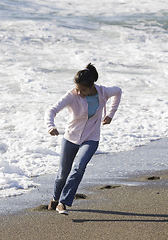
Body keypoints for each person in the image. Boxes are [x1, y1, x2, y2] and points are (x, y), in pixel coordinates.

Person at [44, 63, 122, 215]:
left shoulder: (103, 92)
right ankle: (55, 198)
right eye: (77, 89)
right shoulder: (72, 95)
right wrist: (50, 126)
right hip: (70, 137)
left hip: (91, 138)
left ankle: (63, 202)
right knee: (62, 174)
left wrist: (110, 114)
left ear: (92, 85)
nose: (79, 92)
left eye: (83, 90)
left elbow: (118, 91)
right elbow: (51, 110)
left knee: (79, 167)